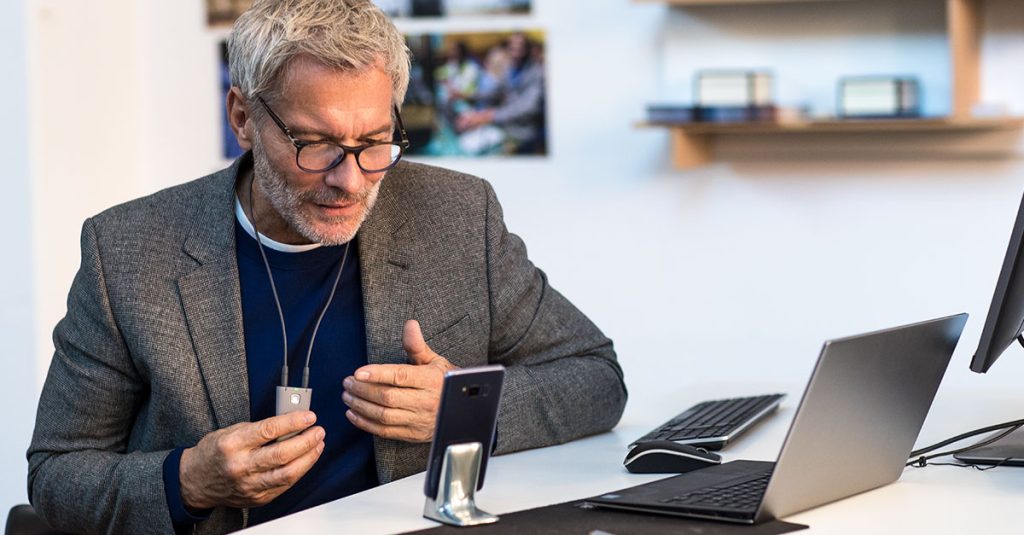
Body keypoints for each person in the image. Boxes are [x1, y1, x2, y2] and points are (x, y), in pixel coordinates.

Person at [26, 1, 626, 534]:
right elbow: (57, 475)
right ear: (243, 119)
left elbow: (596, 379)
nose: (350, 180)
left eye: (374, 141)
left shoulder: (459, 215)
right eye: (314, 144)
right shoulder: (127, 248)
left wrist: (464, 407)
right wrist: (187, 481)